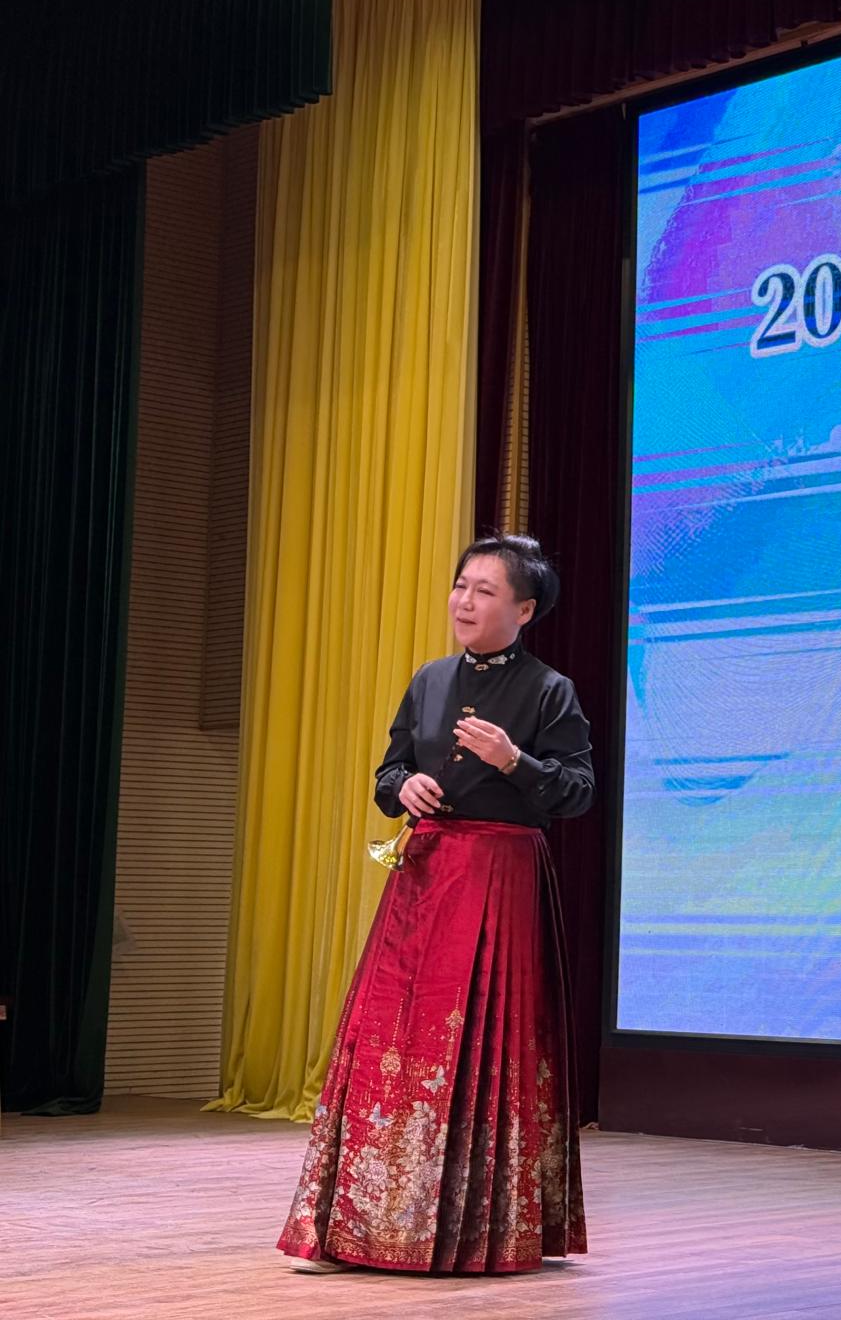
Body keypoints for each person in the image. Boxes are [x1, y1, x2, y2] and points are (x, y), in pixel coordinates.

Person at [278, 534, 595, 1275]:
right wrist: (403, 787)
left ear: (524, 610)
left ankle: (469, 1234)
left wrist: (513, 761)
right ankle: (357, 1228)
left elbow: (577, 792)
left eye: (485, 591)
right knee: (387, 1039)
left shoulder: (550, 691)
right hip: (422, 877)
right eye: (461, 586)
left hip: (498, 878)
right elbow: (389, 771)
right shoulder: (429, 679)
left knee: (480, 1047)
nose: (465, 601)